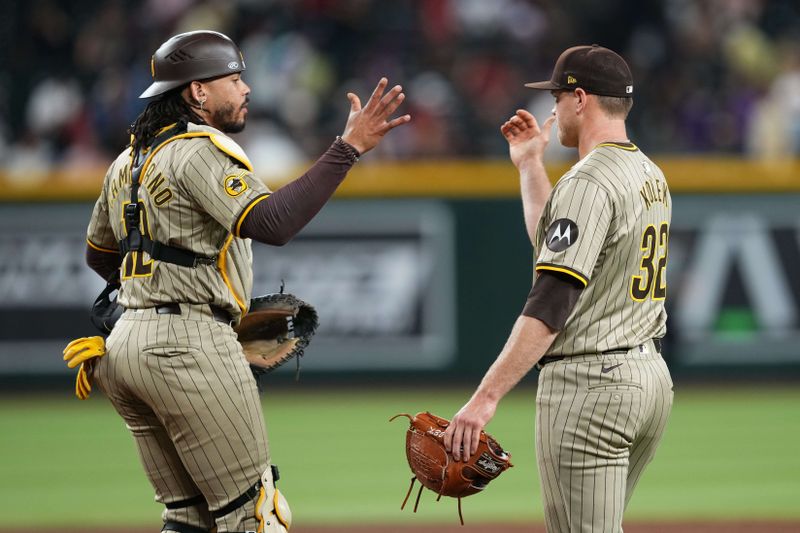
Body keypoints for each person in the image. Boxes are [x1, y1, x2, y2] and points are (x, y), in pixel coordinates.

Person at [81, 30, 409, 533]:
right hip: (185, 347)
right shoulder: (197, 151)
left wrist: (160, 299)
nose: (246, 88)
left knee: (188, 518)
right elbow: (273, 222)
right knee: (255, 517)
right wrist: (348, 149)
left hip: (124, 349)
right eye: (233, 78)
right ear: (197, 92)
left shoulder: (128, 160)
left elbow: (100, 255)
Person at [444, 44, 673, 532]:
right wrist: (530, 164)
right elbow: (560, 248)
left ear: (580, 99)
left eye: (557, 95)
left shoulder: (588, 181)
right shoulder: (648, 173)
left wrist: (485, 398)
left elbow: (550, 301)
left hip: (591, 387)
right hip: (649, 380)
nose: (553, 107)